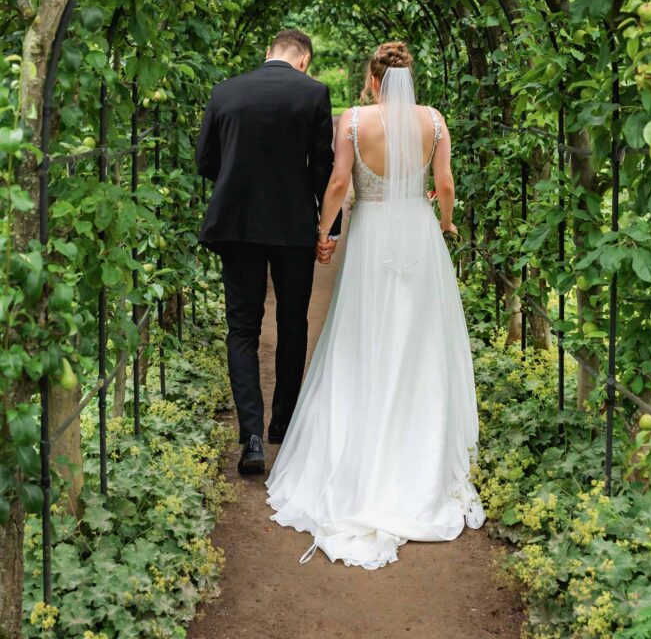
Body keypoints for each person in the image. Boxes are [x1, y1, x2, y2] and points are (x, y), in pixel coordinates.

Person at [265, 41, 486, 569]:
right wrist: (447, 222)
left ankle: (359, 450)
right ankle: (419, 449)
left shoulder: (354, 120)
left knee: (364, 337)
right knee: (420, 342)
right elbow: (445, 184)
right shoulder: (433, 121)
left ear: (371, 79)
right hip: (417, 233)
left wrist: (324, 232)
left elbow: (339, 183)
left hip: (370, 238)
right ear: (409, 77)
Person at [195, 29, 342, 475]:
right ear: (304, 60)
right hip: (292, 226)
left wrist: (238, 181)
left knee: (242, 326)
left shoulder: (225, 91)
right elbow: (323, 166)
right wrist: (328, 228)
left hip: (236, 224)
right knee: (292, 322)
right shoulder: (313, 93)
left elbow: (205, 161)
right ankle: (283, 424)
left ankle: (252, 434)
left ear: (268, 53)